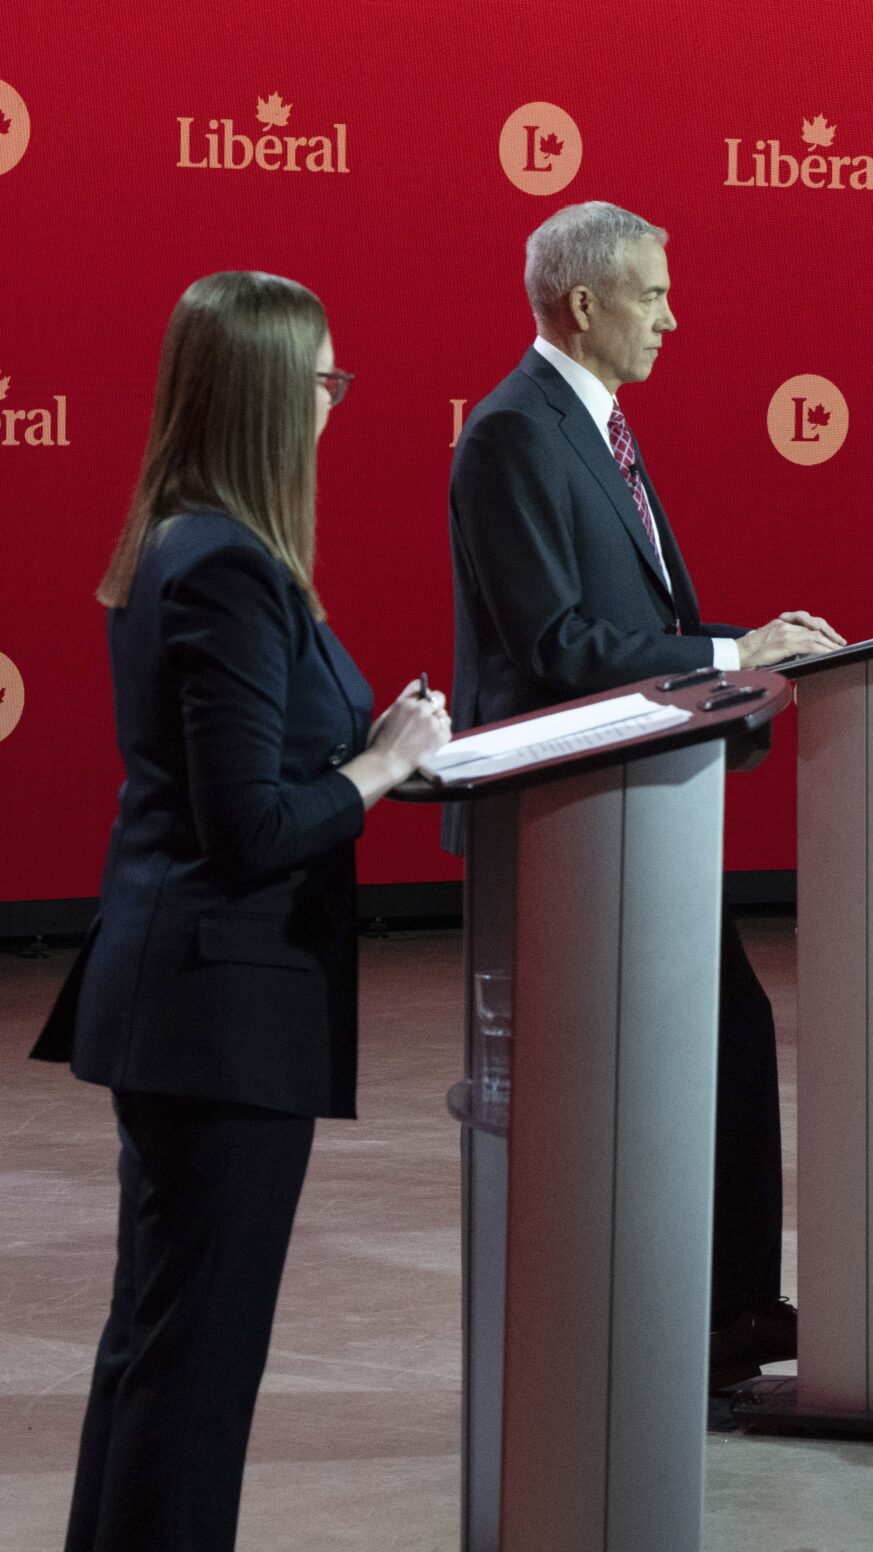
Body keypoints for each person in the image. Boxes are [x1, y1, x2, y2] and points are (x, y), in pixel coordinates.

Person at [32, 271, 452, 1551]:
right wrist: (381, 768)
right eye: (322, 380)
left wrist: (369, 746)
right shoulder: (225, 565)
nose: (334, 403)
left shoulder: (200, 544)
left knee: (159, 1343)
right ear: (271, 395)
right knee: (193, 1364)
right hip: (217, 1012)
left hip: (197, 1004)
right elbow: (249, 827)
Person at [447, 201, 842, 1388]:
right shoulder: (515, 434)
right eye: (654, 294)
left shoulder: (595, 424)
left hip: (639, 809)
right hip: (568, 820)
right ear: (584, 304)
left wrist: (738, 655)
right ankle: (669, 1328)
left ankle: (731, 1309)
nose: (674, 315)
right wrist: (731, 655)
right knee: (661, 1061)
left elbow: (636, 625)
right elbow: (559, 643)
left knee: (726, 1033)